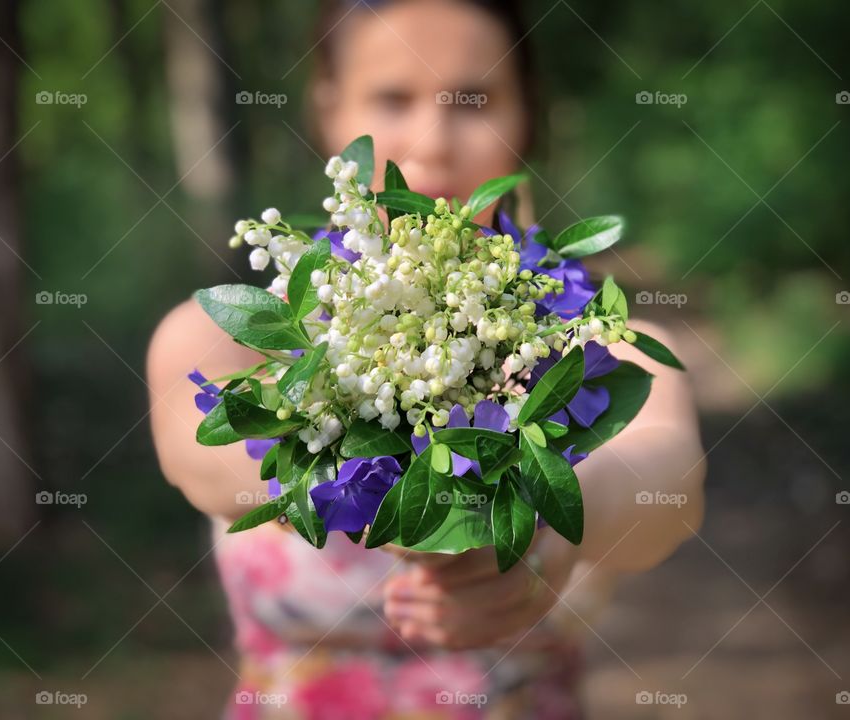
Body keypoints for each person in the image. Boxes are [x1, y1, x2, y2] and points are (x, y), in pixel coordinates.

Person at [147, 1, 706, 717]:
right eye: (392, 98)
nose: (433, 143)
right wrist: (384, 490)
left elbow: (670, 483)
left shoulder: (587, 337)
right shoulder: (239, 335)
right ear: (328, 109)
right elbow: (203, 455)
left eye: (474, 100)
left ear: (526, 114)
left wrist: (541, 524)